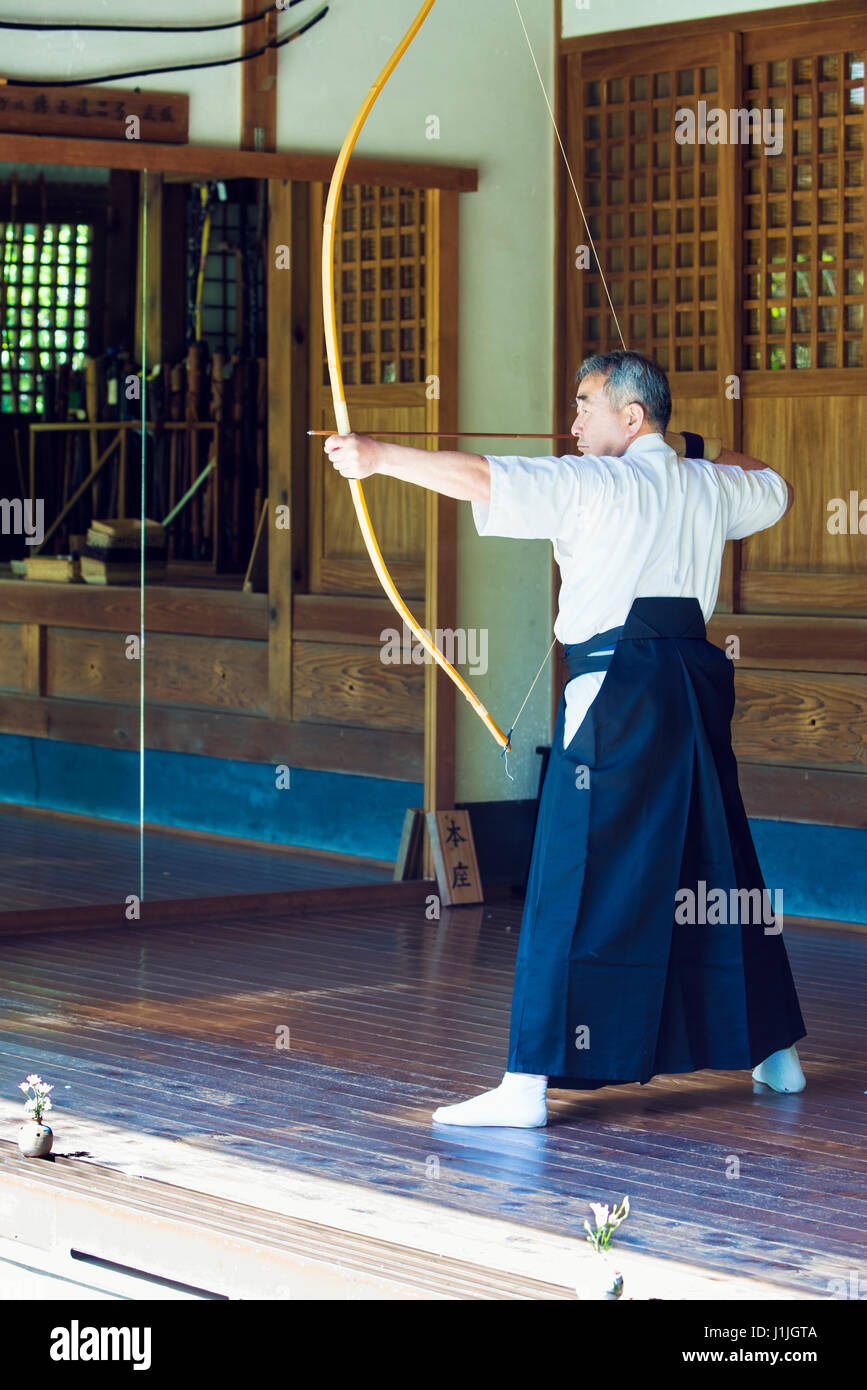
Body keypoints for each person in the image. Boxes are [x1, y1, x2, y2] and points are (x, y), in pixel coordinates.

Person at [325, 349, 807, 1129]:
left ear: (631, 415)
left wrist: (376, 458)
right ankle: (774, 1054)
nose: (572, 420)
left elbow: (480, 477)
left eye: (586, 404)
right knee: (714, 855)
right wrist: (686, 452)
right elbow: (772, 483)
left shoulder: (596, 482)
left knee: (570, 872)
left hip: (614, 691)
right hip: (689, 689)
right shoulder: (710, 486)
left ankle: (526, 1086)